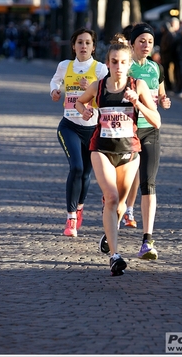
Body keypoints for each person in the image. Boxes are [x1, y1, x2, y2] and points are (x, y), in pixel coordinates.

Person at [75, 39, 161, 276]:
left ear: (129, 64)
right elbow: (80, 102)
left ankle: (108, 232)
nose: (119, 66)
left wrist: (138, 104)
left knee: (121, 206)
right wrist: (85, 112)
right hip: (101, 149)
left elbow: (157, 121)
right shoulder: (98, 86)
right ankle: (115, 256)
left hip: (129, 152)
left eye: (123, 62)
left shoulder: (138, 85)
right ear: (108, 63)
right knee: (111, 198)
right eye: (114, 62)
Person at [100, 23, 171, 261]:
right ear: (131, 45)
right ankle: (112, 229)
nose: (146, 45)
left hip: (148, 131)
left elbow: (160, 94)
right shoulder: (123, 67)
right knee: (119, 194)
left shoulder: (156, 68)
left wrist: (163, 100)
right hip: (125, 134)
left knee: (148, 184)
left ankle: (147, 240)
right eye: (141, 41)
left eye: (150, 42)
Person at [50, 27, 108, 237]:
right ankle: (71, 218)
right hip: (69, 126)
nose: (83, 46)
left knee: (85, 173)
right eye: (80, 42)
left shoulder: (100, 69)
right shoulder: (65, 65)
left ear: (93, 47)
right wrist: (54, 91)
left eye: (88, 43)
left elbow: (107, 96)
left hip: (92, 129)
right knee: (75, 167)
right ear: (73, 46)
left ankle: (80, 207)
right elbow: (55, 81)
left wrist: (91, 88)